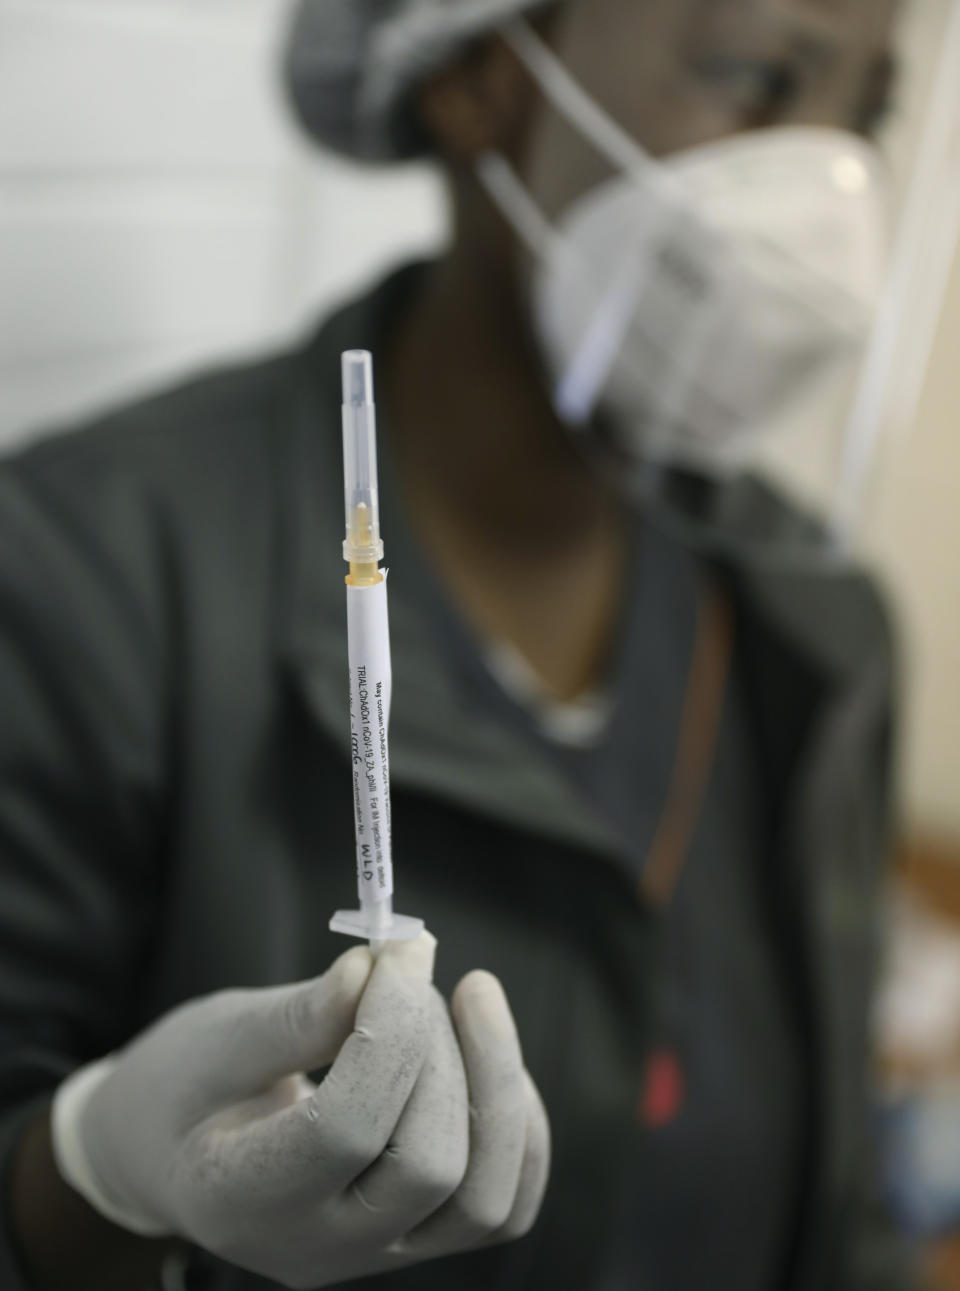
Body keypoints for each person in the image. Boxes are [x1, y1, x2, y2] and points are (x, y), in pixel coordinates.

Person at [0, 0, 917, 1287]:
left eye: (866, 114)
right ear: (478, 74)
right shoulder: (80, 570)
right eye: (758, 76)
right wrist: (96, 1170)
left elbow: (837, 1212)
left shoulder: (817, 626)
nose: (832, 190)